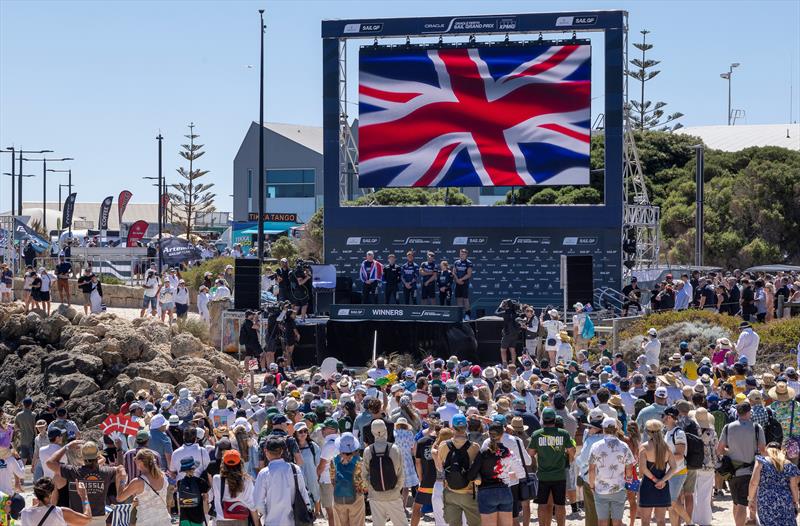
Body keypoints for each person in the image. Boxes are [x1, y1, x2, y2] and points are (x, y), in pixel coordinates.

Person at [717, 402, 766, 526]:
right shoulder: (756, 427)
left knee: (736, 502)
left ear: (737, 413)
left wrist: (732, 451)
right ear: (749, 412)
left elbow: (720, 449)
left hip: (732, 472)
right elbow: (762, 450)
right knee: (743, 504)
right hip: (749, 471)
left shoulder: (728, 427)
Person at [46, 441, 118, 525]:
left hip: (78, 519)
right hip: (99, 519)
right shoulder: (106, 472)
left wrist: (67, 446)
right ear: (97, 456)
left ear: (82, 456)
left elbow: (50, 463)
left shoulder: (74, 472)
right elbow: (121, 470)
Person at [528, 407, 575, 526]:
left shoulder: (537, 435)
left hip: (543, 475)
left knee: (543, 505)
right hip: (559, 475)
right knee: (560, 505)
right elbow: (572, 452)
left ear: (543, 420)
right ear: (554, 420)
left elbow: (530, 454)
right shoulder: (563, 433)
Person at [588, 418, 636, 526]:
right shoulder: (624, 446)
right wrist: (628, 482)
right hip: (619, 488)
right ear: (616, 429)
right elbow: (629, 468)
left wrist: (592, 486)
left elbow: (591, 470)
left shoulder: (596, 446)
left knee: (602, 521)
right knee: (617, 521)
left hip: (600, 489)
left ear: (604, 430)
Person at [254, 436, 311, 526]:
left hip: (271, 522)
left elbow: (258, 502)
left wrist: (267, 515)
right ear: (282, 451)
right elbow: (304, 494)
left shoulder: (264, 473)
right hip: (293, 521)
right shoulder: (295, 469)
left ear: (266, 451)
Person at [467, 420, 514, 526]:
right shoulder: (507, 451)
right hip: (505, 490)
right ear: (502, 434)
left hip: (486, 492)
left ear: (488, 433)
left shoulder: (483, 452)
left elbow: (471, 475)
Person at [362, 420, 407, 526]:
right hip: (394, 495)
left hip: (375, 496)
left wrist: (372, 488)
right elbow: (401, 474)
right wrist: (396, 489)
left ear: (372, 432)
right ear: (386, 431)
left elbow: (364, 476)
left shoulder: (368, 451)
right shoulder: (395, 449)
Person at [638, 420, 680, 526]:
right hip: (662, 486)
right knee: (661, 520)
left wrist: (654, 480)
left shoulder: (644, 447)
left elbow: (643, 468)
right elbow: (674, 467)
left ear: (648, 432)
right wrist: (662, 480)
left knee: (645, 521)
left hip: (647, 485)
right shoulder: (666, 447)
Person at [748, 442, 800, 526]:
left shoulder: (761, 462)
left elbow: (753, 483)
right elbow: (794, 486)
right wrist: (796, 502)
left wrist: (750, 500)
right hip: (785, 500)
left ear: (767, 450)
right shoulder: (789, 465)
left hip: (765, 501)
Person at [115, 449, 172, 525]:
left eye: (135, 459)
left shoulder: (138, 482)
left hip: (146, 522)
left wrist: (121, 479)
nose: (134, 461)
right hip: (164, 521)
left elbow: (120, 498)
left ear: (140, 462)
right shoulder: (163, 476)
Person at [20, 477, 93, 526]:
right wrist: (84, 496)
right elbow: (87, 519)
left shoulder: (25, 513)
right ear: (51, 493)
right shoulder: (60, 512)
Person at [330, 433, 367, 526]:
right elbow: (363, 484)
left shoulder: (333, 461)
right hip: (356, 497)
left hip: (339, 497)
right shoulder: (359, 461)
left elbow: (332, 480)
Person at [213, 449, 256, 526]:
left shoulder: (216, 479)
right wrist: (257, 523)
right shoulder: (247, 480)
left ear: (223, 464)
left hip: (222, 520)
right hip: (241, 520)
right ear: (240, 463)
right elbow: (252, 505)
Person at [692, 408, 718, 526]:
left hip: (693, 465)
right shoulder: (712, 433)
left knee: (693, 493)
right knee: (706, 494)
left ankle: (694, 518)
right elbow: (716, 449)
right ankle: (705, 520)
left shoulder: (692, 431)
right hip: (708, 465)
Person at [176, 457, 211, 526]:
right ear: (194, 468)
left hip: (184, 516)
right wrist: (206, 514)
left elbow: (179, 500)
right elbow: (205, 499)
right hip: (197, 516)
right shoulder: (201, 482)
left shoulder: (179, 483)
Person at [453, 248, 473, 319]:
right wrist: (457, 280)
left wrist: (460, 279)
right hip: (458, 283)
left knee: (465, 299)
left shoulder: (469, 263)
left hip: (464, 283)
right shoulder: (456, 262)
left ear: (466, 255)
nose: (462, 255)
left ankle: (467, 315)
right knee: (459, 299)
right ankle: (460, 315)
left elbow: (469, 274)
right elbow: (454, 272)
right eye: (461, 254)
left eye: (463, 254)